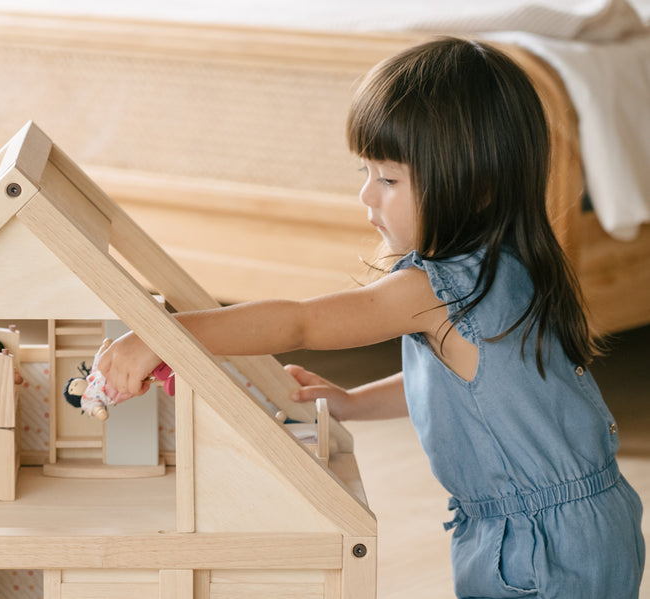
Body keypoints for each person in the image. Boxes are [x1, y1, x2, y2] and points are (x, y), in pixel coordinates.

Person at [95, 37, 644, 598]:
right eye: (366, 171)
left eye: (388, 179)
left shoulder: (434, 289)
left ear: (475, 187)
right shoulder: (507, 263)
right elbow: (470, 391)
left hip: (540, 544)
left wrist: (164, 337)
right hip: (576, 525)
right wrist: (354, 402)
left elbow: (300, 324)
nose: (365, 195)